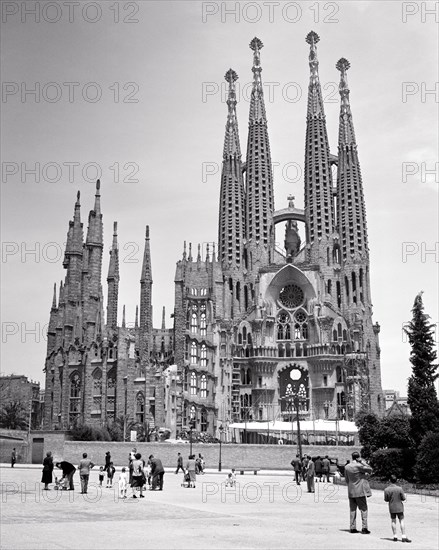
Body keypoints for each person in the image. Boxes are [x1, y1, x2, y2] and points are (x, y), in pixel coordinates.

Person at [344, 451, 372, 534]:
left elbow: (346, 479)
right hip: (360, 490)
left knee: (352, 509)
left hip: (351, 490)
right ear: (357, 457)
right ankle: (364, 528)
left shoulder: (347, 467)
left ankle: (352, 527)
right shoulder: (359, 466)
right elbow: (370, 469)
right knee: (364, 509)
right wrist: (363, 462)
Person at [384, 475, 412, 543]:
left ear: (390, 480)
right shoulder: (400, 488)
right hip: (399, 507)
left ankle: (395, 536)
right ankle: (403, 536)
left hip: (391, 507)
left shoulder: (386, 489)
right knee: (401, 521)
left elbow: (386, 499)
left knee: (393, 521)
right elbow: (403, 498)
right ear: (396, 480)